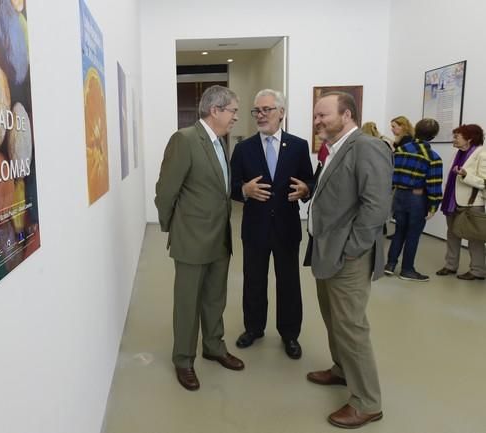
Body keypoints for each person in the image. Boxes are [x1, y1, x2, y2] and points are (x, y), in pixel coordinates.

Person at [304, 92, 392, 429]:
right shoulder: (337, 149)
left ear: (348, 114)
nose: (317, 121)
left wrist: (352, 249)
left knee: (351, 327)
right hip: (327, 252)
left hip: (347, 256)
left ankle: (368, 402)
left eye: (323, 115)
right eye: (315, 116)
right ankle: (342, 370)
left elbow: (376, 207)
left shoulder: (367, 147)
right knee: (333, 319)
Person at [155, 85, 244, 392]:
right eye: (233, 110)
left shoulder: (219, 142)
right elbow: (166, 190)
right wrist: (173, 229)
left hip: (220, 237)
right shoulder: (185, 140)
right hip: (192, 238)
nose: (236, 117)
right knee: (188, 303)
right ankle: (183, 359)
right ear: (215, 110)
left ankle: (214, 346)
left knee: (215, 297)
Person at [230, 89, 313, 359]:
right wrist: (245, 191)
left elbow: (309, 182)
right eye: (257, 111)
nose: (261, 115)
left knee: (288, 282)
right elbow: (230, 187)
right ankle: (253, 328)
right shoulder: (243, 149)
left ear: (281, 112)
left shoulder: (299, 147)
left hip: (287, 228)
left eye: (267, 109)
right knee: (254, 280)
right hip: (255, 228)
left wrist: (305, 191)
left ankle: (290, 334)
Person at [384, 118, 443, 281]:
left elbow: (391, 174)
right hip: (417, 199)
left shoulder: (400, 150)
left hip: (399, 196)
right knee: (413, 235)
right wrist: (433, 206)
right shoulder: (433, 157)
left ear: (416, 130)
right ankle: (407, 270)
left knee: (399, 231)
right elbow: (434, 184)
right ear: (433, 136)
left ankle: (390, 264)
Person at [436, 124, 486, 280]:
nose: (454, 139)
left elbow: (484, 182)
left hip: (472, 204)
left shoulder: (482, 154)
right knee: (452, 234)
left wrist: (465, 175)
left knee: (475, 238)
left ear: (469, 138)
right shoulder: (457, 153)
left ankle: (478, 271)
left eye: (457, 136)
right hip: (452, 201)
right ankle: (450, 266)